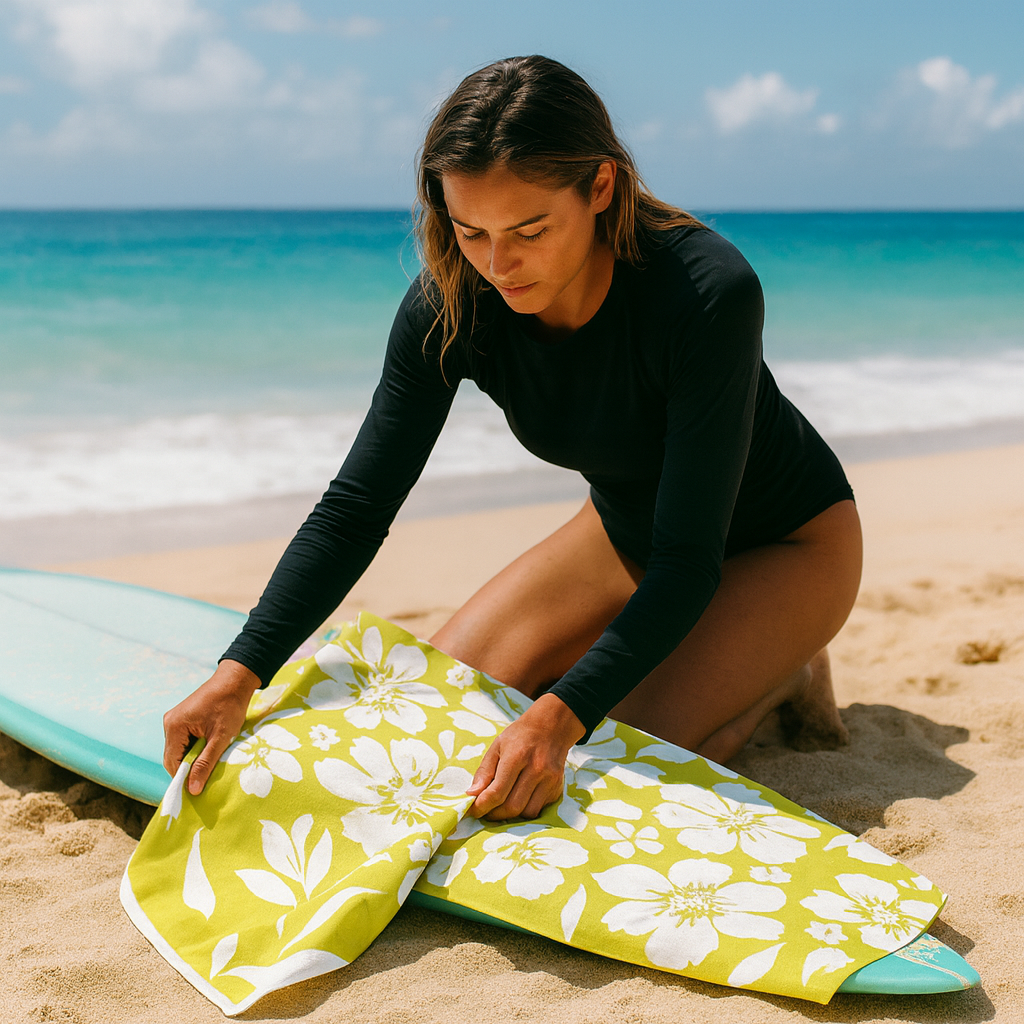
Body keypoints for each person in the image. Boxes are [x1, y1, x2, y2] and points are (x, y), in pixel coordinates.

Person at [163, 55, 862, 826]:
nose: (499, 265)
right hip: (625, 535)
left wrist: (559, 718)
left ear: (601, 187)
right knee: (431, 719)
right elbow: (356, 508)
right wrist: (240, 671)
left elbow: (689, 560)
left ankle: (783, 674)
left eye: (530, 230)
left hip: (786, 547)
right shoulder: (452, 304)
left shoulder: (704, 292)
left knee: (614, 766)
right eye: (471, 231)